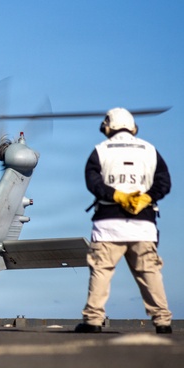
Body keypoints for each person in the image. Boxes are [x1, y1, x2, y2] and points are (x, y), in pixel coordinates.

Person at [76, 108, 172, 334]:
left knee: (101, 272)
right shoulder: (150, 150)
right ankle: (162, 320)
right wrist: (146, 197)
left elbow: (93, 183)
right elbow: (164, 183)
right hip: (143, 225)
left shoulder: (100, 151)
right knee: (149, 273)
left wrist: (116, 195)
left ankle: (93, 320)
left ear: (106, 127)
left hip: (108, 225)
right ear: (133, 127)